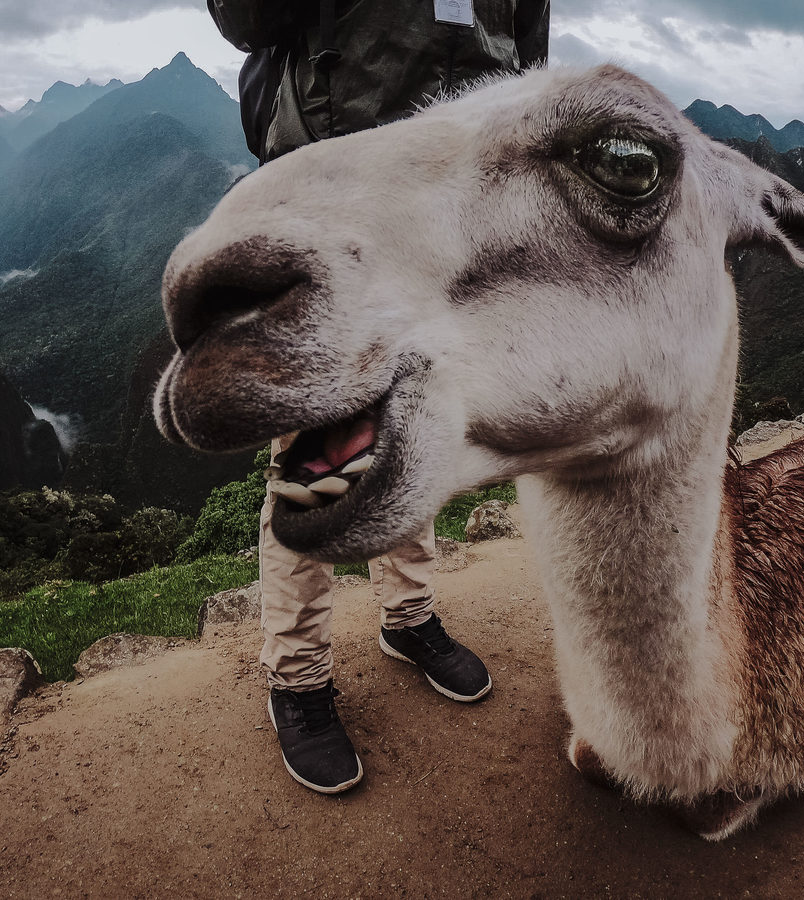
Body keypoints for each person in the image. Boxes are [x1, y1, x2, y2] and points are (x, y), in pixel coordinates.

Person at [206, 0, 550, 795]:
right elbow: (249, 18)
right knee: (315, 446)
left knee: (417, 422)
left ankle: (408, 615)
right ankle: (297, 674)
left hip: (449, 214)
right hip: (336, 198)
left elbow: (528, 72)